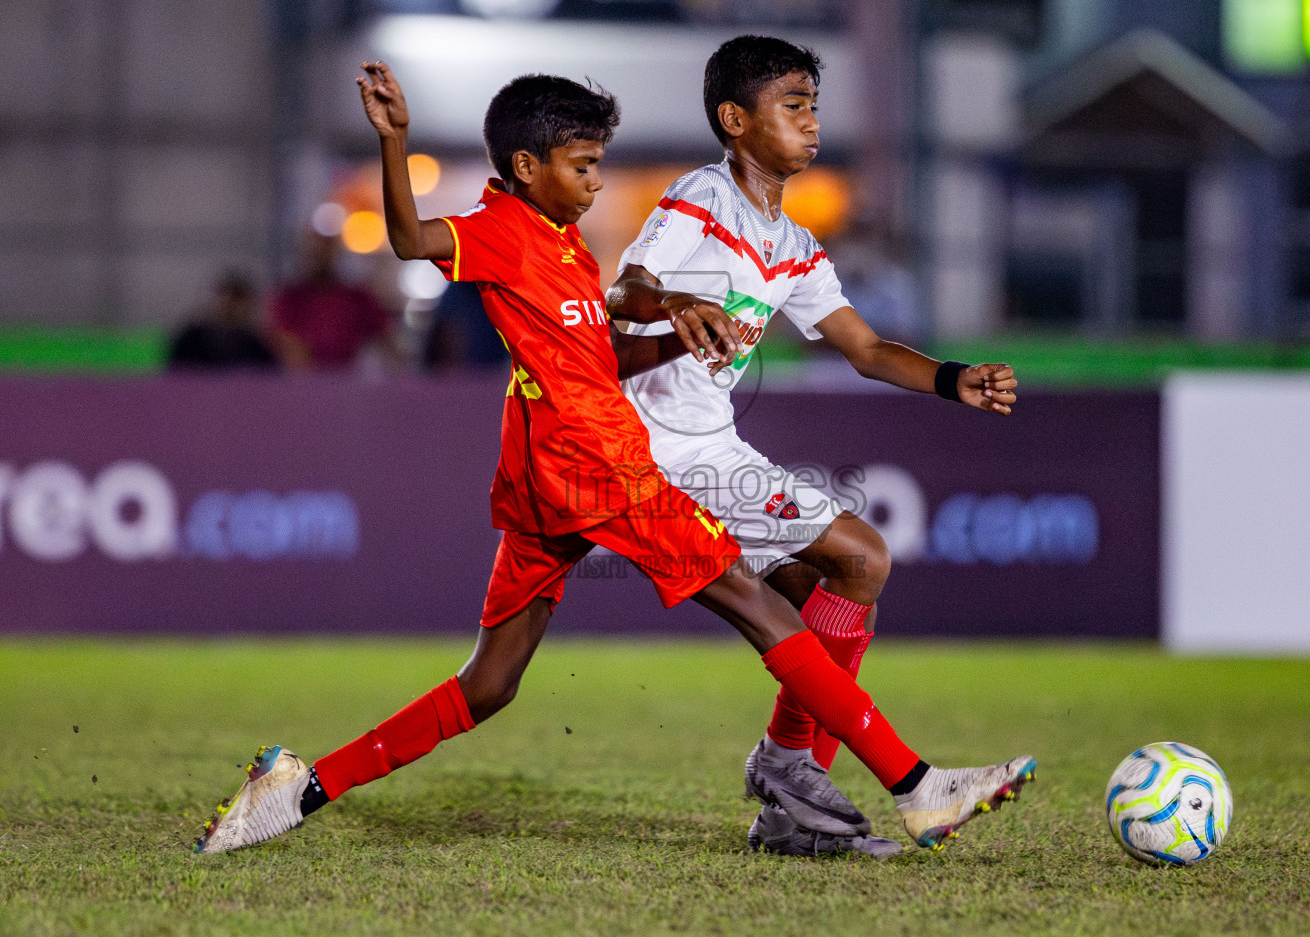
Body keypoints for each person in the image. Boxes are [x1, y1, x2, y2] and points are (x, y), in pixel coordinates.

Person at [194, 62, 1034, 857]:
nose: (598, 182)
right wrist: (393, 139)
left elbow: (598, 357)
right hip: (596, 464)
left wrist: (679, 335)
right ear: (527, 166)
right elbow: (412, 239)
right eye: (584, 165)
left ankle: (300, 787)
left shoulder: (562, 247)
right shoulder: (501, 230)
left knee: (489, 685)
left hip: (544, 479)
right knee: (763, 603)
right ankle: (915, 783)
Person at [606, 35, 1024, 858]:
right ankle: (825, 773)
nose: (811, 120)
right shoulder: (698, 199)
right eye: (792, 104)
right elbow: (625, 289)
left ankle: (789, 804)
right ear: (735, 120)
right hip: (648, 453)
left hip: (713, 450)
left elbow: (865, 350)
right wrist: (679, 300)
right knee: (861, 560)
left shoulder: (793, 246)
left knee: (833, 585)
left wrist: (952, 379)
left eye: (814, 105)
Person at [269, 231, 400, 371]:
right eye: (314, 252)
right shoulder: (289, 298)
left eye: (325, 250)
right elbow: (284, 341)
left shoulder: (357, 297)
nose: (319, 257)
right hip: (302, 380)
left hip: (349, 377)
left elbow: (388, 340)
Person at [166, 271, 279, 371]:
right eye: (225, 299)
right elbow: (175, 372)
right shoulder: (190, 339)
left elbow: (268, 375)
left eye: (237, 301)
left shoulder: (255, 345)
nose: (229, 306)